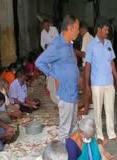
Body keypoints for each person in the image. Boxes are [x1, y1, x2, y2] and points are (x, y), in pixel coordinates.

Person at [36, 14, 80, 142]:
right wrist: (54, 74)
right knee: (65, 130)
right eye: (77, 28)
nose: (78, 31)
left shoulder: (69, 43)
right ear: (70, 28)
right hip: (65, 94)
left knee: (73, 127)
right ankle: (63, 156)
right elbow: (40, 62)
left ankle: (72, 153)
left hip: (73, 92)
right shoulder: (56, 45)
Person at [84, 17, 117, 142]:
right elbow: (87, 66)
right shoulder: (91, 46)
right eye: (106, 30)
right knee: (98, 110)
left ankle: (112, 134)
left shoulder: (108, 43)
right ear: (99, 29)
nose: (107, 32)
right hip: (97, 83)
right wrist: (87, 85)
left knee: (110, 109)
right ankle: (99, 135)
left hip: (109, 82)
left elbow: (112, 63)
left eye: (108, 30)